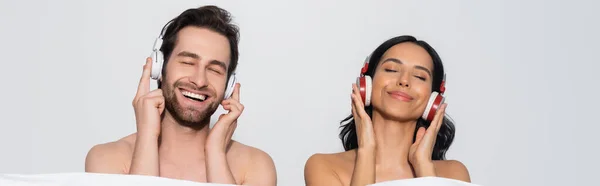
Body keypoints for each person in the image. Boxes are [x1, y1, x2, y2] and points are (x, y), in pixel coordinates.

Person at [84, 5, 276, 186]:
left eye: (214, 70)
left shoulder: (255, 165)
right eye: (187, 62)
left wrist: (215, 153)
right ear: (160, 69)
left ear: (228, 85)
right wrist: (147, 137)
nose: (200, 80)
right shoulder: (106, 158)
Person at [304, 35, 470, 186]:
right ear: (366, 84)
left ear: (434, 100)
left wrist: (424, 167)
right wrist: (367, 151)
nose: (404, 81)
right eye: (391, 69)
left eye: (419, 76)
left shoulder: (454, 174)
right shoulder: (323, 166)